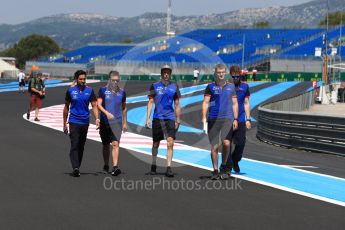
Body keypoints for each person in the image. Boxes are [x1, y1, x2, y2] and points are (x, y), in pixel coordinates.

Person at [202, 63, 238, 180]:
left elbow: (235, 103)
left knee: (227, 143)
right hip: (213, 119)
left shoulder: (231, 87)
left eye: (223, 72)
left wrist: (236, 118)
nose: (221, 74)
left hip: (227, 119)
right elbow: (206, 103)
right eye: (219, 72)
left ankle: (223, 166)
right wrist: (203, 118)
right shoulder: (210, 87)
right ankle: (215, 170)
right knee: (214, 146)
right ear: (215, 73)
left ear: (225, 73)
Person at [146, 64, 181, 177]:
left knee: (170, 143)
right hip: (157, 118)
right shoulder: (155, 86)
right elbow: (150, 102)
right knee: (156, 143)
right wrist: (148, 118)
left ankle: (168, 167)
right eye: (164, 72)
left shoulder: (174, 87)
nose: (166, 74)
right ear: (161, 74)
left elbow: (176, 104)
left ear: (170, 74)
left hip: (170, 118)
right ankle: (154, 164)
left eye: (168, 72)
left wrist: (178, 119)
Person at [63, 70, 100, 177]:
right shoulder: (70, 91)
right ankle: (75, 167)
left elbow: (94, 106)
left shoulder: (90, 91)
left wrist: (97, 119)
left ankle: (77, 166)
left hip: (85, 122)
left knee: (81, 145)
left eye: (84, 79)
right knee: (74, 143)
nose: (83, 81)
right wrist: (64, 123)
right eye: (81, 79)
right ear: (76, 79)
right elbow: (66, 107)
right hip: (73, 121)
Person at [97, 71, 127, 176]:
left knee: (115, 144)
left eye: (117, 80)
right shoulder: (103, 90)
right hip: (105, 121)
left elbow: (124, 108)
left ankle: (115, 167)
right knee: (105, 145)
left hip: (117, 122)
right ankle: (106, 165)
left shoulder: (122, 92)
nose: (115, 82)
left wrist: (125, 123)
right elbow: (98, 105)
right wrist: (106, 113)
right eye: (113, 80)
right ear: (109, 80)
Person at [226, 65, 251, 173]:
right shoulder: (225, 86)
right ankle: (228, 164)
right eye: (233, 76)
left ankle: (235, 159)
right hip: (227, 119)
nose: (235, 78)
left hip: (240, 119)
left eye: (237, 77)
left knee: (241, 142)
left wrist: (248, 119)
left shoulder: (245, 86)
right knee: (227, 143)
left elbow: (246, 103)